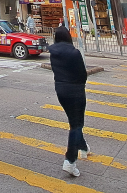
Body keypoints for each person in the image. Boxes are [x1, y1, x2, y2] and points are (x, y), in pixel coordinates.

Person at [48, 26, 88, 178]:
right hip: (75, 91)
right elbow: (82, 74)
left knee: (74, 122)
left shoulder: (53, 53)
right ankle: (70, 161)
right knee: (77, 124)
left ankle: (83, 148)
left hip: (61, 91)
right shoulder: (74, 52)